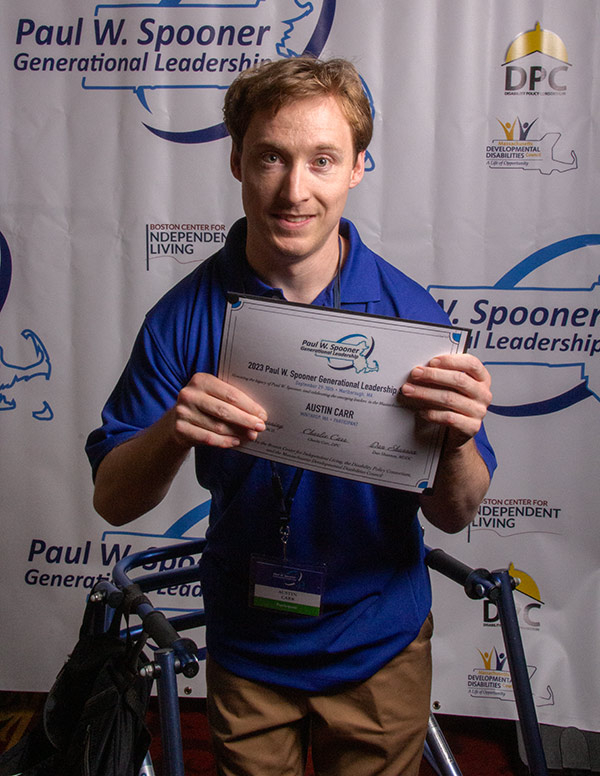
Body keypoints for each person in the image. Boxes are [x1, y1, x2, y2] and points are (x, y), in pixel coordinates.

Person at [86, 57, 496, 776]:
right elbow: (114, 500)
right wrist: (173, 430)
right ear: (237, 160)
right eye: (271, 157)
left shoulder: (411, 318)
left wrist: (457, 443)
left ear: (357, 169)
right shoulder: (183, 317)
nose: (294, 190)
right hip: (249, 647)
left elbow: (456, 514)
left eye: (322, 160)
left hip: (378, 646)